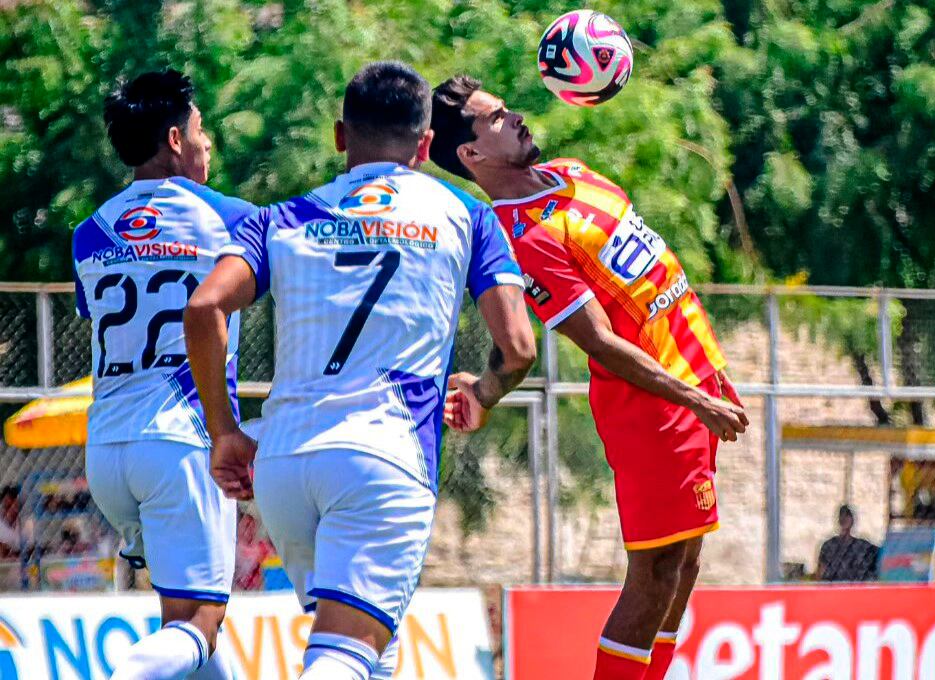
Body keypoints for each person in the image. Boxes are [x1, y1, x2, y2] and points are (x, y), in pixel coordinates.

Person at [184, 61, 535, 680]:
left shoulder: (284, 217)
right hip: (382, 458)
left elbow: (206, 306)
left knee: (375, 650)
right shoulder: (468, 216)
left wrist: (224, 432)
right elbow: (518, 347)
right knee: (342, 658)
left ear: (341, 137)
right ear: (426, 146)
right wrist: (484, 390)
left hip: (286, 468)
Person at [430, 75, 749, 680]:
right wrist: (692, 397)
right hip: (652, 409)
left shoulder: (574, 171)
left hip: (693, 378)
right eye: (496, 118)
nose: (516, 116)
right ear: (471, 155)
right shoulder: (524, 237)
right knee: (653, 573)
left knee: (684, 564)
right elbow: (599, 339)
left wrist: (708, 372)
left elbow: (656, 277)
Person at [71, 69, 255, 679]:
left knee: (187, 626)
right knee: (199, 621)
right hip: (180, 443)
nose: (208, 145)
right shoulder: (232, 218)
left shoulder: (88, 233)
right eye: (202, 131)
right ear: (175, 139)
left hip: (107, 450)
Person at [816, 504, 880, 582]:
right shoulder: (828, 546)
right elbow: (821, 572)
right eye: (842, 516)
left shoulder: (863, 547)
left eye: (847, 516)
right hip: (833, 590)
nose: (844, 519)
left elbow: (881, 557)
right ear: (838, 520)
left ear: (852, 520)